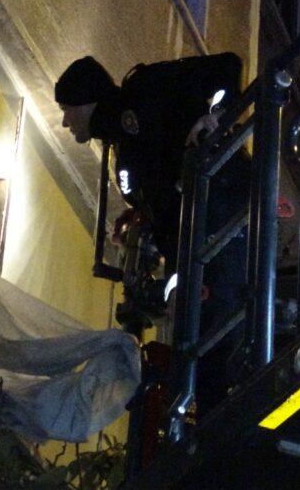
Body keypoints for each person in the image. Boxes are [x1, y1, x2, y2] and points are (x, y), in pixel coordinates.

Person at [54, 53, 250, 413]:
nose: (65, 121)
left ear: (86, 100)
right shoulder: (123, 147)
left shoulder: (145, 87)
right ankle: (214, 424)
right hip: (195, 246)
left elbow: (227, 66)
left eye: (67, 109)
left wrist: (216, 116)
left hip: (222, 219)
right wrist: (143, 216)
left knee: (218, 344)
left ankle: (223, 425)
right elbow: (165, 203)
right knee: (201, 350)